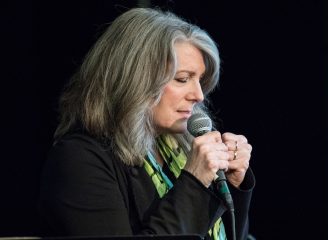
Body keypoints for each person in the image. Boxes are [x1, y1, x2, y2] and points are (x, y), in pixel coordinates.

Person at [38, 7, 255, 240]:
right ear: (134, 81)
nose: (199, 95)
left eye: (200, 80)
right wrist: (195, 182)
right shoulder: (79, 159)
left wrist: (232, 185)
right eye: (183, 79)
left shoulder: (176, 148)